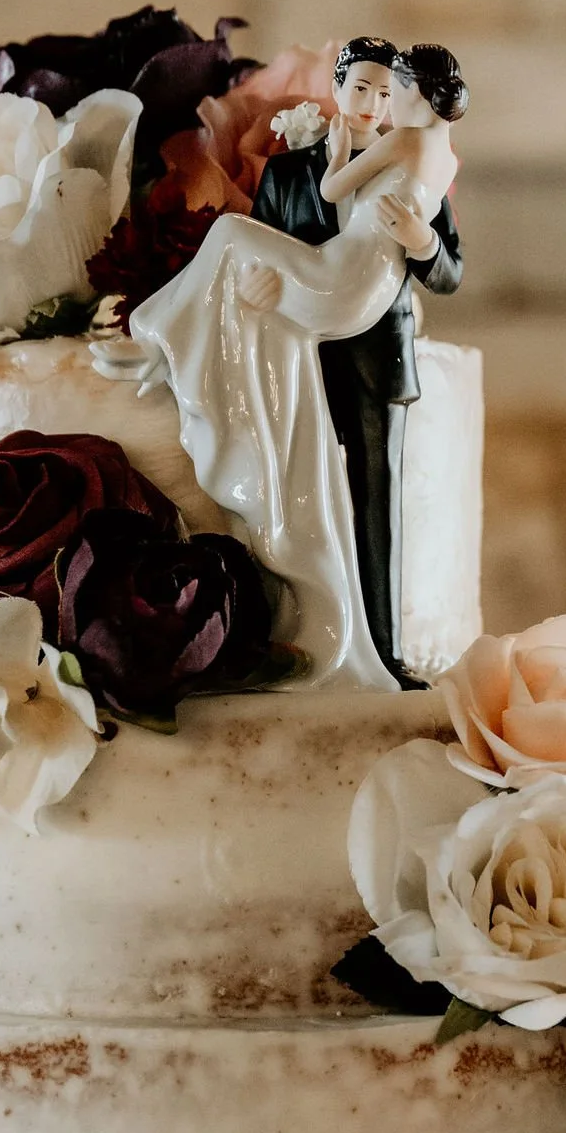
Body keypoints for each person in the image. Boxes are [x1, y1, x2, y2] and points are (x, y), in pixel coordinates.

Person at [128, 40, 465, 688]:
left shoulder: (412, 158)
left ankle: (385, 655)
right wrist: (261, 292)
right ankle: (298, 624)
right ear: (334, 92)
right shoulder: (288, 172)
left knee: (377, 500)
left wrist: (423, 243)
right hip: (290, 342)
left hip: (371, 348)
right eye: (360, 89)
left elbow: (449, 269)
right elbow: (267, 253)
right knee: (308, 483)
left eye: (385, 93)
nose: (372, 104)